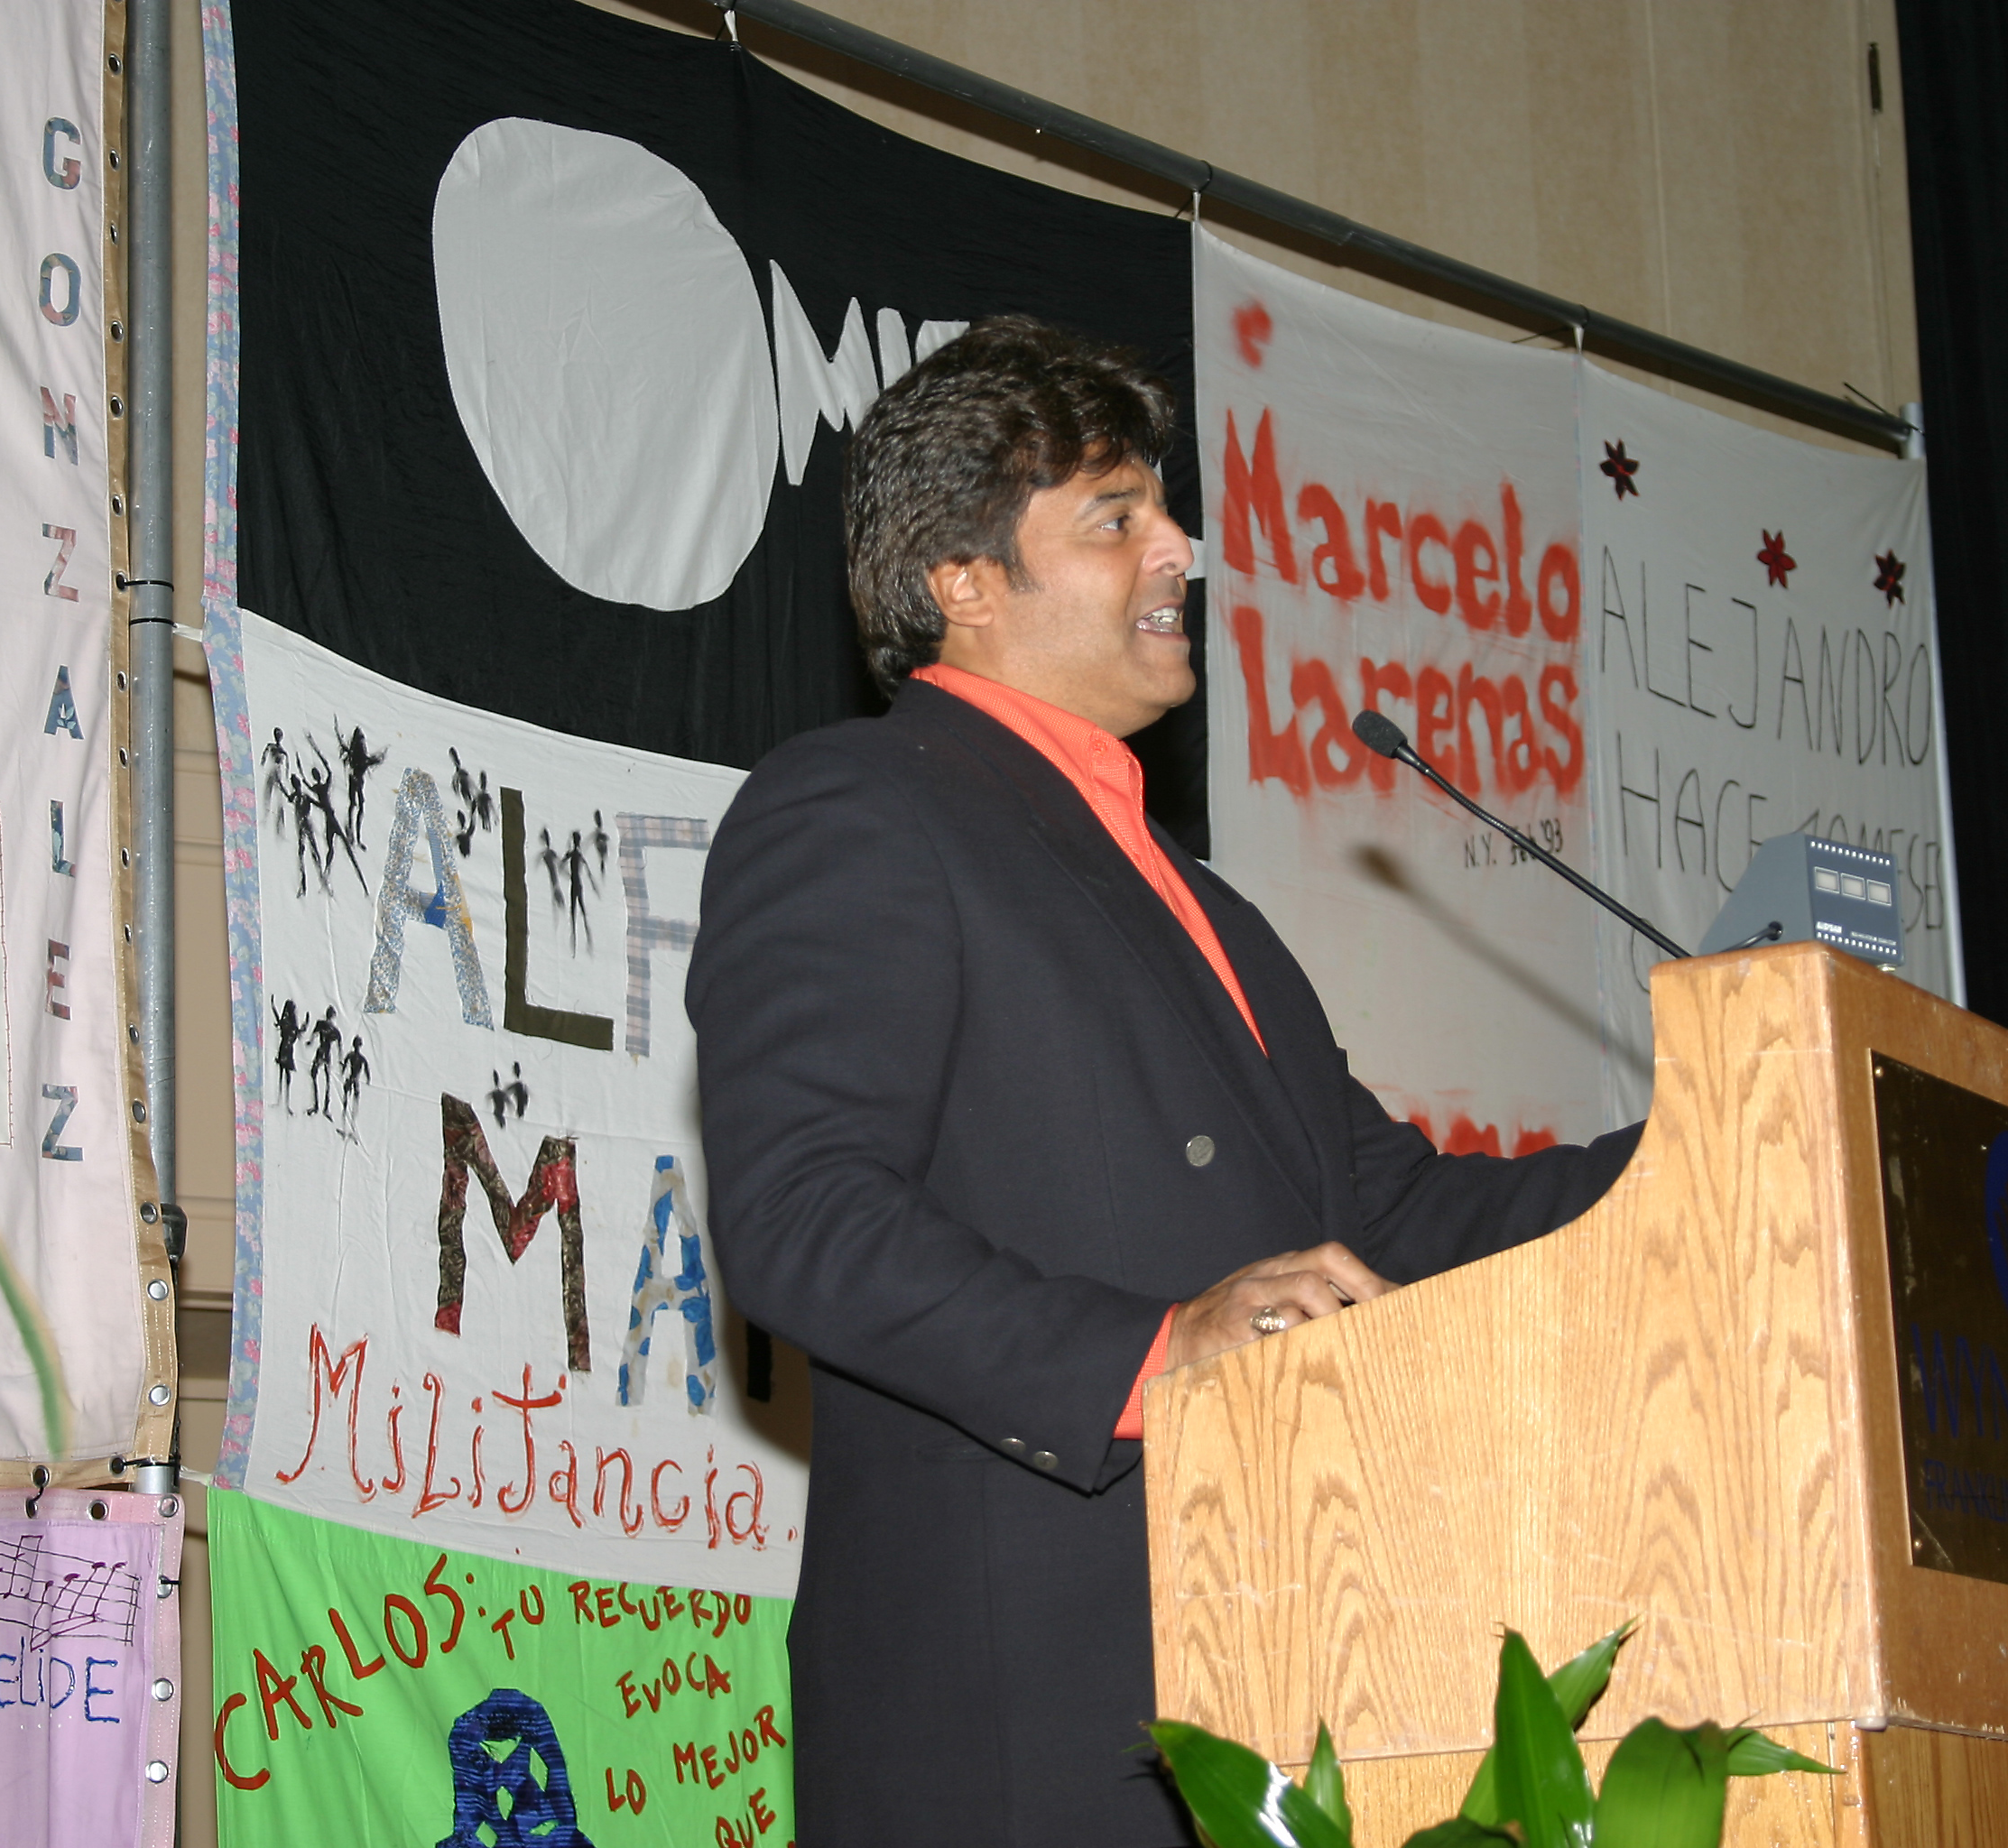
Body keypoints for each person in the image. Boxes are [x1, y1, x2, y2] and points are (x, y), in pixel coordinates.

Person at [685, 317, 1642, 1847]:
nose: (1182, 547)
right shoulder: (857, 806)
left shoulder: (1219, 917)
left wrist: (1722, 1146)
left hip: (1272, 1701)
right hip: (1029, 1736)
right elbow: (803, 1215)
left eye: (1168, 511)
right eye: (1116, 517)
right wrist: (1157, 1349)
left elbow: (1398, 1211)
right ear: (964, 584)